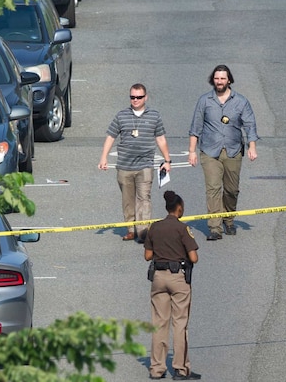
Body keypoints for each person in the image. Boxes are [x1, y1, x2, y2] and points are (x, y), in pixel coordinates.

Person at [188, 64, 258, 241]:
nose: (219, 82)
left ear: (229, 80)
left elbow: (250, 125)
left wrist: (252, 147)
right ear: (213, 80)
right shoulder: (205, 101)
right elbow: (195, 127)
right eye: (216, 78)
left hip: (233, 151)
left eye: (222, 78)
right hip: (210, 152)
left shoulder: (241, 101)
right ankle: (215, 227)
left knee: (231, 190)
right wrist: (192, 151)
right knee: (213, 188)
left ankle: (229, 218)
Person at [98, 84, 172, 243]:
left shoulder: (154, 116)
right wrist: (103, 157)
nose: (135, 100)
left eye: (139, 97)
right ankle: (131, 229)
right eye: (132, 97)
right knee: (128, 200)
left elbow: (160, 139)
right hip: (124, 166)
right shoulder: (121, 116)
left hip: (145, 165)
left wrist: (167, 160)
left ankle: (143, 230)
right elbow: (111, 136)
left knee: (144, 198)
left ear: (145, 97)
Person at [144, 190, 201, 380]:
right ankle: (180, 368)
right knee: (180, 324)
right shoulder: (182, 228)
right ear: (179, 208)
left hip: (158, 277)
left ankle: (157, 369)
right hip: (178, 278)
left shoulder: (155, 227)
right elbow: (194, 257)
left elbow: (147, 256)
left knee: (159, 323)